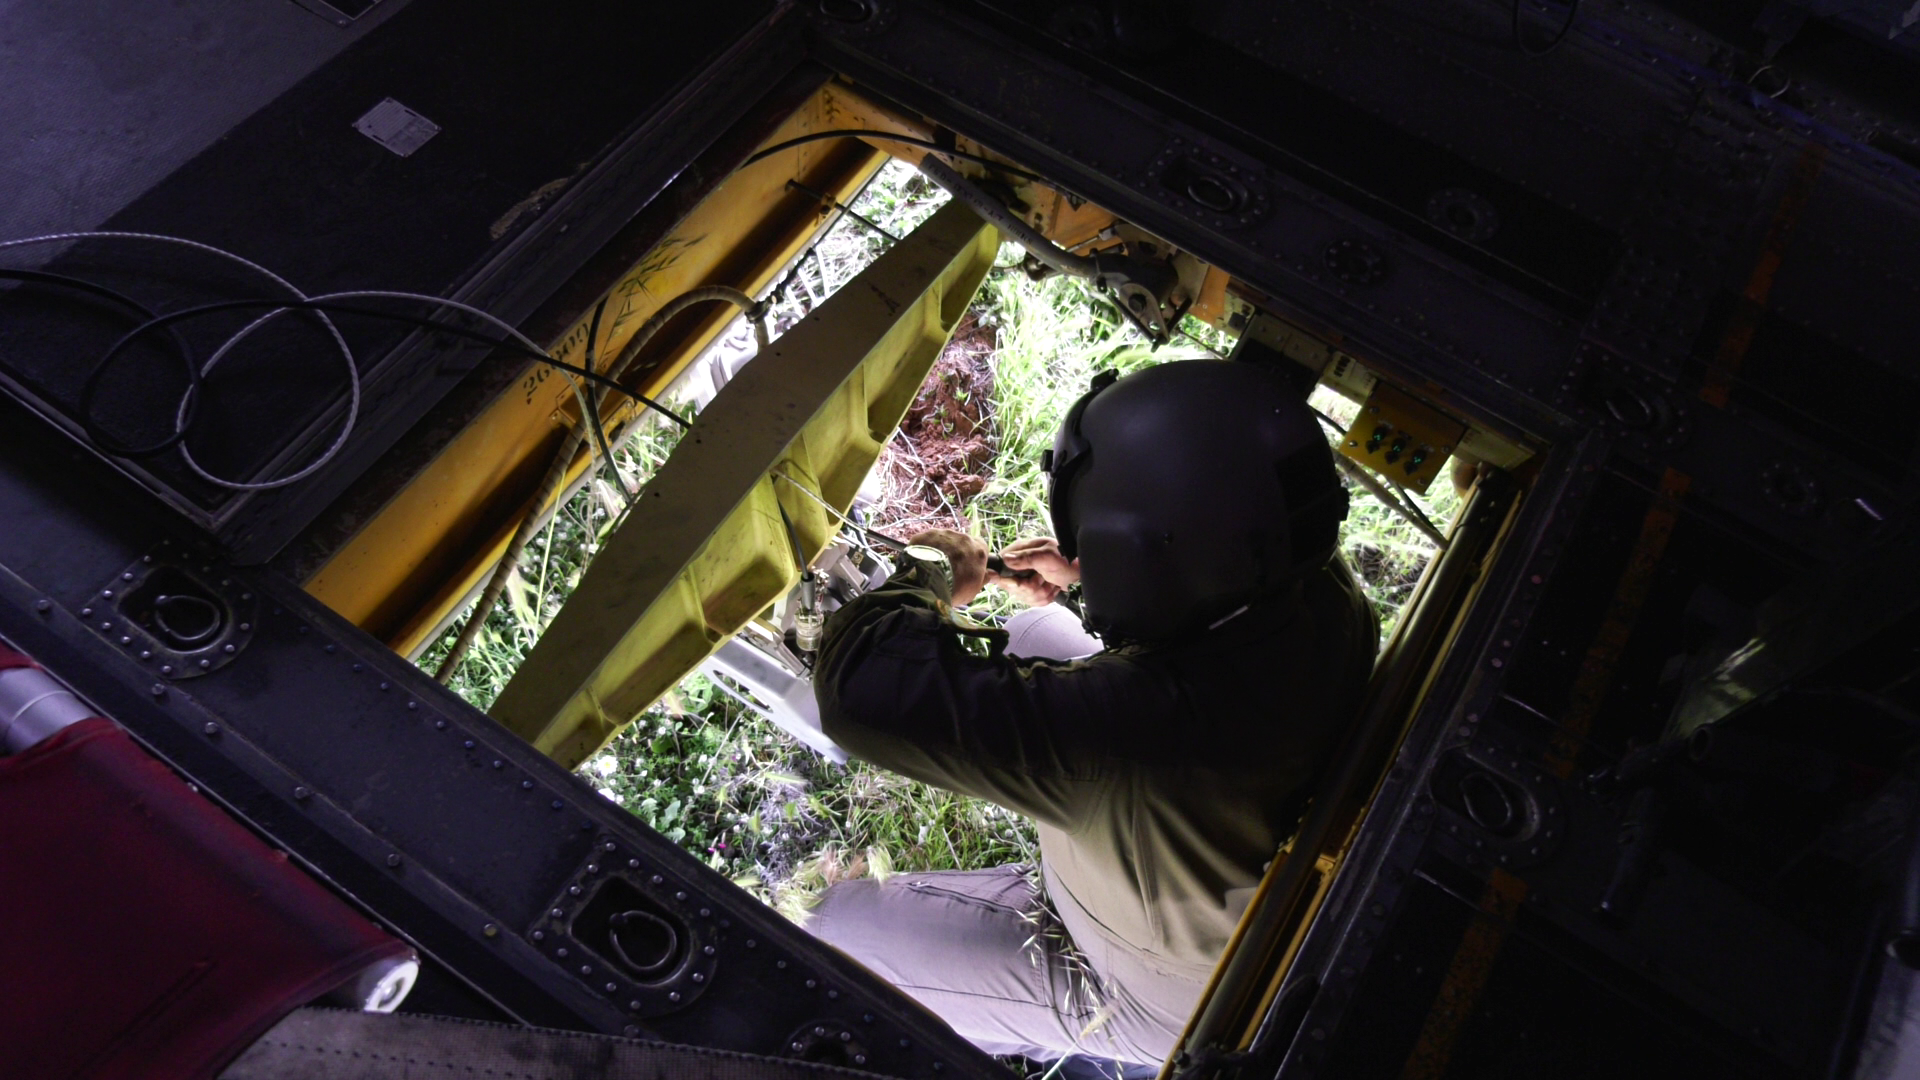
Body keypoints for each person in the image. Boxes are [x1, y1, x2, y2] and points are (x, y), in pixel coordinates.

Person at [805, 360, 1379, 1067]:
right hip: (1222, 850)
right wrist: (1097, 577)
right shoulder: (1314, 576)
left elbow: (862, 692)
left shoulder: (1129, 733)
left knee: (835, 926)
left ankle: (1012, 1025)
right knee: (1025, 632)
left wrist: (930, 569)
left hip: (1153, 987)